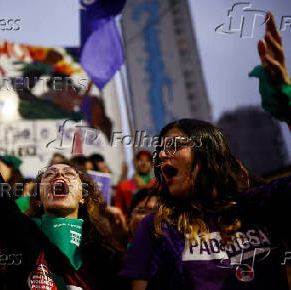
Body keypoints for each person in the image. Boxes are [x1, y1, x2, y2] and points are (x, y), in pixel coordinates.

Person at [0, 51, 127, 289]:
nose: (59, 175)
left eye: (69, 174)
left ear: (84, 195)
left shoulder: (107, 254)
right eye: (49, 175)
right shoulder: (20, 235)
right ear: (38, 197)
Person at [120, 12, 291, 290]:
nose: (162, 155)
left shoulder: (260, 204)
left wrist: (288, 107)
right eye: (160, 150)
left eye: (175, 145)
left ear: (208, 152)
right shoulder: (156, 228)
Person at [115, 150, 156, 215]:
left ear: (151, 164)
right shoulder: (123, 185)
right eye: (140, 160)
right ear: (135, 163)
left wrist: (144, 187)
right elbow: (118, 208)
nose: (144, 163)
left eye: (147, 160)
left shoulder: (157, 185)